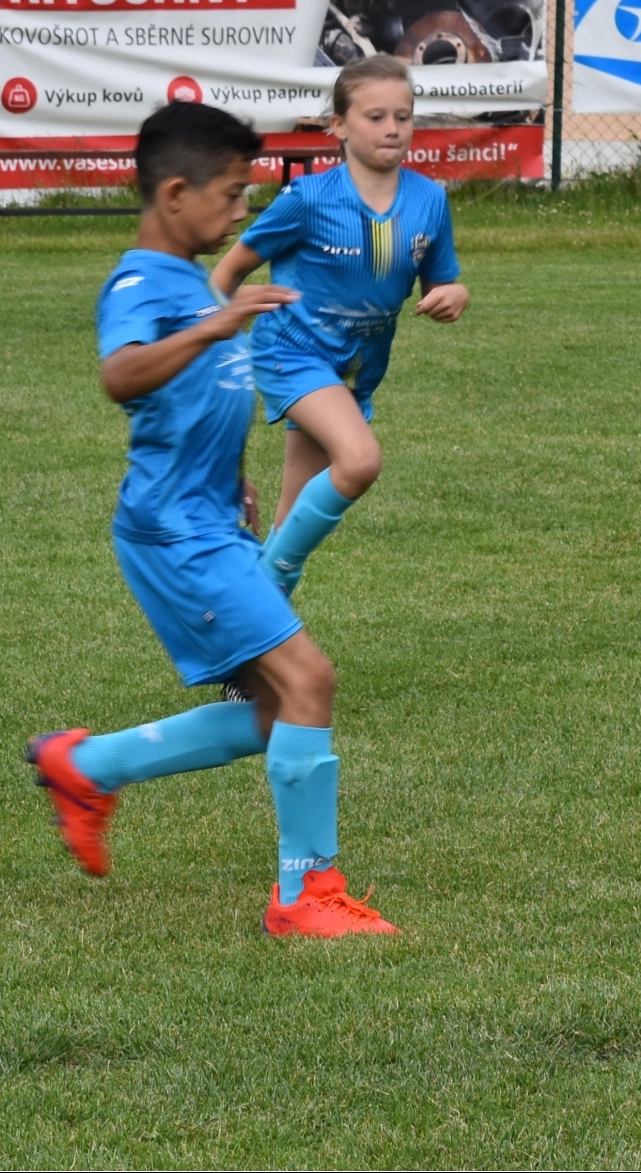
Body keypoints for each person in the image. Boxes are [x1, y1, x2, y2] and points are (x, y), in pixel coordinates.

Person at [27, 101, 397, 937]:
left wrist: (234, 479)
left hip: (210, 523)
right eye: (231, 195)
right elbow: (122, 375)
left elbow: (202, 400)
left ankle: (89, 765)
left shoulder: (193, 283)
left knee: (276, 712)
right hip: (176, 534)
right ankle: (306, 897)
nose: (241, 212)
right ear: (175, 194)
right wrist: (217, 323)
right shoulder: (139, 283)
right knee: (310, 681)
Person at [211, 55, 468, 597]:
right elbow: (226, 274)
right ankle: (271, 579)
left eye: (403, 116)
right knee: (359, 461)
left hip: (355, 372)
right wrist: (211, 336)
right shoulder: (308, 199)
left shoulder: (429, 200)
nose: (392, 128)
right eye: (375, 117)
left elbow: (441, 283)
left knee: (289, 517)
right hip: (291, 354)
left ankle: (250, 628)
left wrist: (454, 295)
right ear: (339, 125)